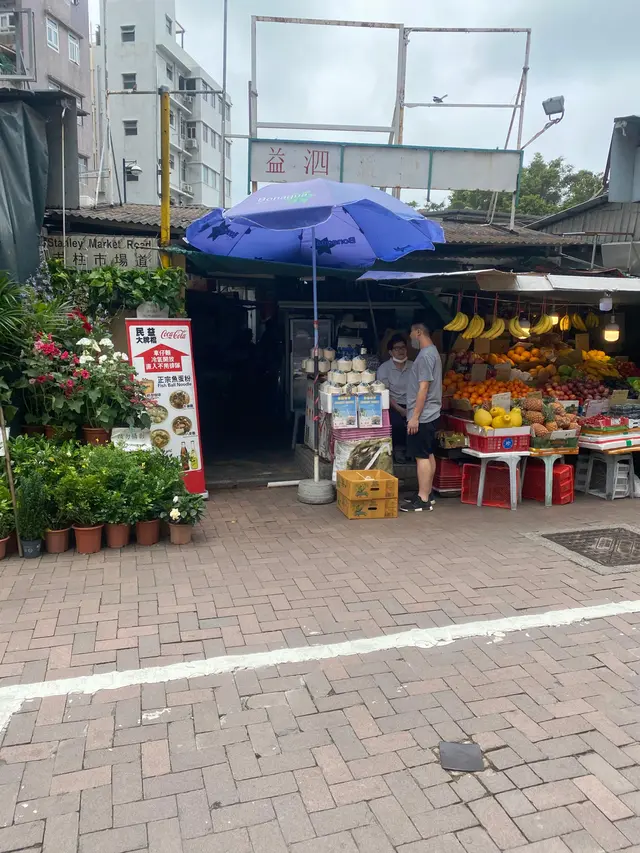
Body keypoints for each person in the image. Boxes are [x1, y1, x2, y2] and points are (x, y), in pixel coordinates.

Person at [401, 322, 442, 512]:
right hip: (431, 413)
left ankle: (423, 499)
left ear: (418, 332)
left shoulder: (425, 356)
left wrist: (415, 417)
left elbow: (423, 388)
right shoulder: (432, 352)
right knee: (428, 453)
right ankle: (427, 492)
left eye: (411, 335)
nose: (410, 340)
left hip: (423, 414)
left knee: (421, 456)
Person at [376, 334, 413, 461]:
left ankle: (414, 450)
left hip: (412, 404)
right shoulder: (384, 368)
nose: (401, 351)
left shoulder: (414, 366)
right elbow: (385, 393)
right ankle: (399, 449)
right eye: (397, 348)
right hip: (393, 404)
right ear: (391, 352)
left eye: (403, 347)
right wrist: (400, 410)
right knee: (396, 423)